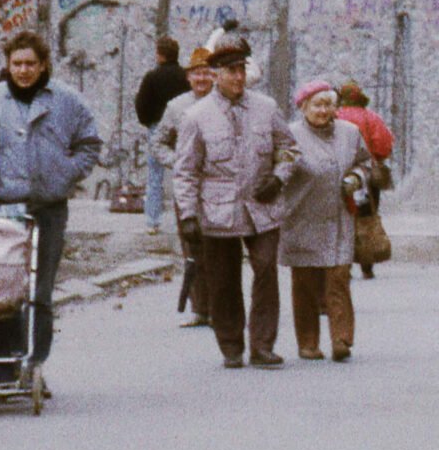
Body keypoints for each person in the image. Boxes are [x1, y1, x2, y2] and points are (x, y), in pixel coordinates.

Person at [0, 31, 103, 370]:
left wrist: (67, 172)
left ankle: (32, 363)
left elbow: (90, 143)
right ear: (7, 66)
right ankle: (1, 361)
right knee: (3, 286)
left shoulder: (66, 100)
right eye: (17, 64)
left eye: (30, 64)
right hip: (7, 207)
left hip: (49, 208)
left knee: (40, 290)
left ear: (43, 65)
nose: (23, 71)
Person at [173, 38, 292, 369]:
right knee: (223, 280)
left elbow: (289, 148)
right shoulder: (196, 116)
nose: (238, 77)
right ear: (215, 74)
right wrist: (188, 215)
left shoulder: (266, 107)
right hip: (218, 209)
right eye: (230, 71)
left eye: (242, 69)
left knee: (266, 269)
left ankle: (263, 345)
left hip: (261, 205)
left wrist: (279, 176)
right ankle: (231, 344)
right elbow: (185, 171)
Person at [273, 81, 374, 361]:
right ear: (303, 108)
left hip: (339, 217)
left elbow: (366, 163)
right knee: (305, 281)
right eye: (316, 105)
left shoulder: (350, 133)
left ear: (336, 108)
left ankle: (341, 338)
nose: (323, 110)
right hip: (301, 217)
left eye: (328, 104)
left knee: (338, 278)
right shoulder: (290, 135)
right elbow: (279, 168)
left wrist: (355, 178)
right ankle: (308, 343)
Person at [156, 47, 218, 327]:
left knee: (219, 247)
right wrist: (178, 162)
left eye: (207, 72)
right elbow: (158, 142)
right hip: (188, 188)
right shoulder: (177, 107)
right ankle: (200, 308)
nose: (202, 78)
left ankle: (221, 308)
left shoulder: (224, 104)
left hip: (220, 186)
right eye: (197, 73)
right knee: (192, 246)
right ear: (188, 77)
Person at [333, 80, 396, 279]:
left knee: (342, 217)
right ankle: (367, 264)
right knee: (366, 216)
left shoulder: (334, 116)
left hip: (338, 174)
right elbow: (383, 145)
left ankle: (344, 263)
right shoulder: (371, 118)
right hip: (366, 175)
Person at [134, 37, 191, 237]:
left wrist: (149, 122)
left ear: (160, 54)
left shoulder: (152, 77)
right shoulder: (185, 76)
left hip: (158, 126)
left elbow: (141, 104)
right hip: (183, 126)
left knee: (155, 175)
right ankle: (185, 218)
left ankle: (153, 222)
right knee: (184, 172)